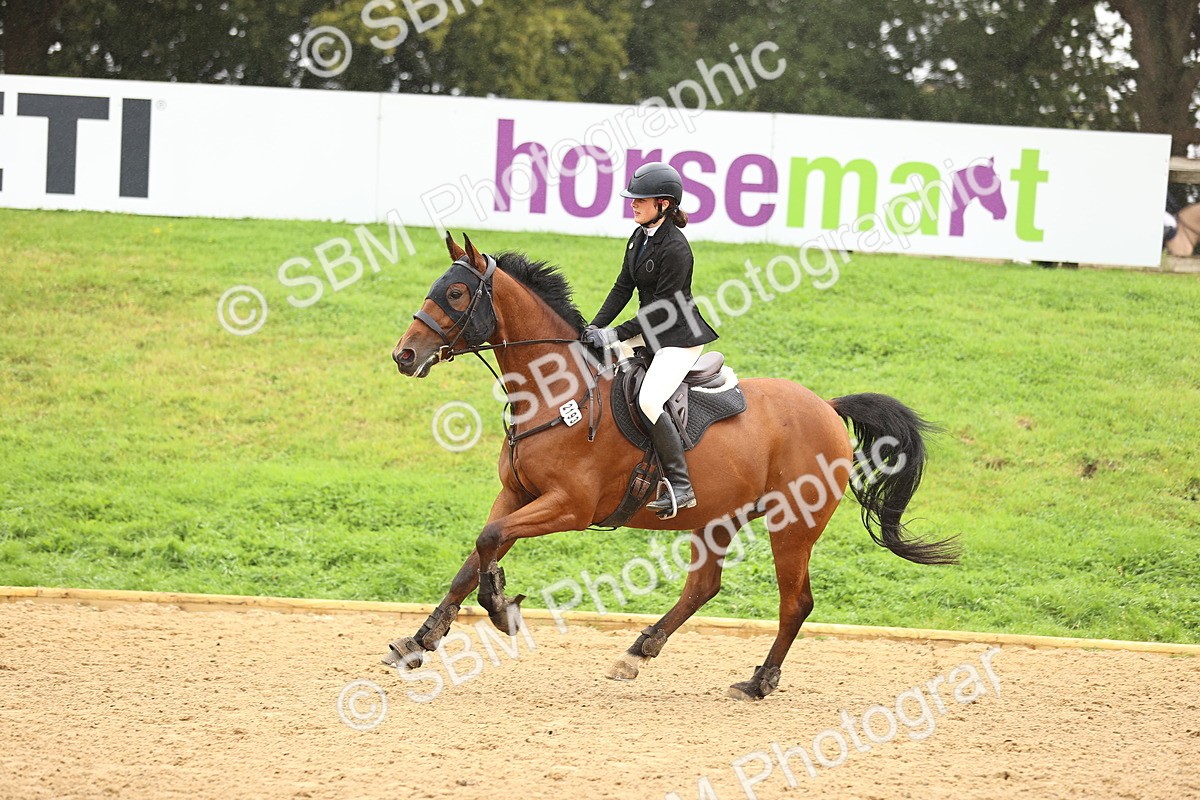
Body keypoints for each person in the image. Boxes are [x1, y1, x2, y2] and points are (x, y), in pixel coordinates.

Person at [582, 162, 719, 517]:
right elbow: (621, 288)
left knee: (648, 400)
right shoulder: (638, 237)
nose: (633, 204)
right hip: (649, 329)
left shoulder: (677, 249)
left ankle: (681, 485)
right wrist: (592, 328)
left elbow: (660, 310)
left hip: (678, 337)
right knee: (598, 372)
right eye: (633, 199)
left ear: (663, 204)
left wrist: (613, 335)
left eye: (640, 200)